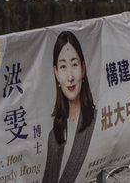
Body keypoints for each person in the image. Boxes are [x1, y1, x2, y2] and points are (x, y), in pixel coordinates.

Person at [43, 31, 96, 183]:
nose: (70, 76)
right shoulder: (53, 136)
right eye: (63, 67)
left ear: (83, 68)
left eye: (74, 64)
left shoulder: (97, 121)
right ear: (56, 73)